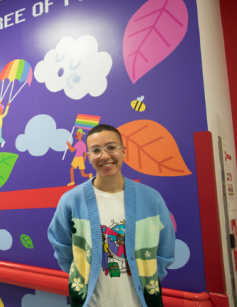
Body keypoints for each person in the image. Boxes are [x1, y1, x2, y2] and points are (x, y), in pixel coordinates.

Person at [48, 124, 175, 307]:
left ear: (123, 151)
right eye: (96, 150)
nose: (105, 156)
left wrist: (149, 278)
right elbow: (61, 245)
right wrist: (80, 275)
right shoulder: (71, 201)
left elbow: (165, 250)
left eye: (111, 147)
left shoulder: (151, 199)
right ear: (88, 157)